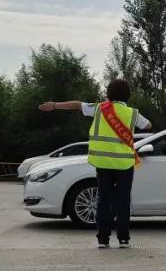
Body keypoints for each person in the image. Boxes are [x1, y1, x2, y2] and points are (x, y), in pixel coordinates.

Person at [39, 79, 152, 248]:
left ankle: (103, 239)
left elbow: (77, 105)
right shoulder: (133, 113)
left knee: (103, 200)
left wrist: (54, 105)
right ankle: (123, 239)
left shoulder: (100, 108)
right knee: (122, 202)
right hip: (124, 165)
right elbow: (148, 125)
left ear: (109, 94)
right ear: (128, 95)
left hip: (102, 162)